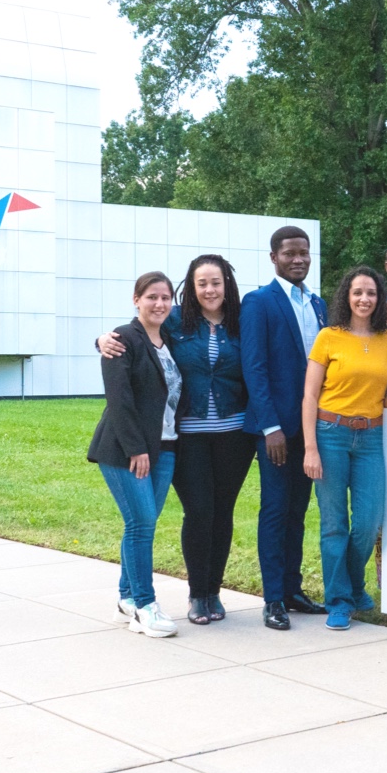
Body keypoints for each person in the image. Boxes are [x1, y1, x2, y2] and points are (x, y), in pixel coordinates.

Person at [95, 257, 255, 625]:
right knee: (189, 514)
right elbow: (132, 339)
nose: (210, 290)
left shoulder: (240, 322)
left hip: (225, 437)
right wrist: (102, 339)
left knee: (219, 514)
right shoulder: (177, 321)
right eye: (202, 283)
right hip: (182, 439)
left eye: (216, 282)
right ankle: (182, 598)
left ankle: (206, 592)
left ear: (227, 285)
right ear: (191, 288)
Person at [303, 267, 387, 630]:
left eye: (371, 293)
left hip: (370, 437)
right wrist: (310, 448)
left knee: (369, 521)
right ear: (346, 297)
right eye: (357, 293)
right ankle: (339, 600)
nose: (364, 299)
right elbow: (309, 395)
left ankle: (352, 586)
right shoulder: (329, 337)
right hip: (330, 434)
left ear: (380, 298)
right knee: (334, 524)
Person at [241, 226, 329, 631]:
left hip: (311, 430)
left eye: (304, 253)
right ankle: (273, 598)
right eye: (290, 253)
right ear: (274, 257)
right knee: (276, 510)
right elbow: (254, 367)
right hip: (276, 431)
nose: (298, 259)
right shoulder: (259, 302)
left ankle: (293, 591)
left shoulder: (319, 304)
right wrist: (270, 426)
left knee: (298, 511)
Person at [87, 271, 182, 638]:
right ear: (136, 299)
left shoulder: (169, 337)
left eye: (165, 297)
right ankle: (145, 606)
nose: (159, 303)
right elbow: (119, 399)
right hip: (126, 451)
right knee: (141, 524)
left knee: (142, 525)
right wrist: (136, 449)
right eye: (151, 297)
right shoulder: (122, 338)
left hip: (166, 446)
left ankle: (126, 598)